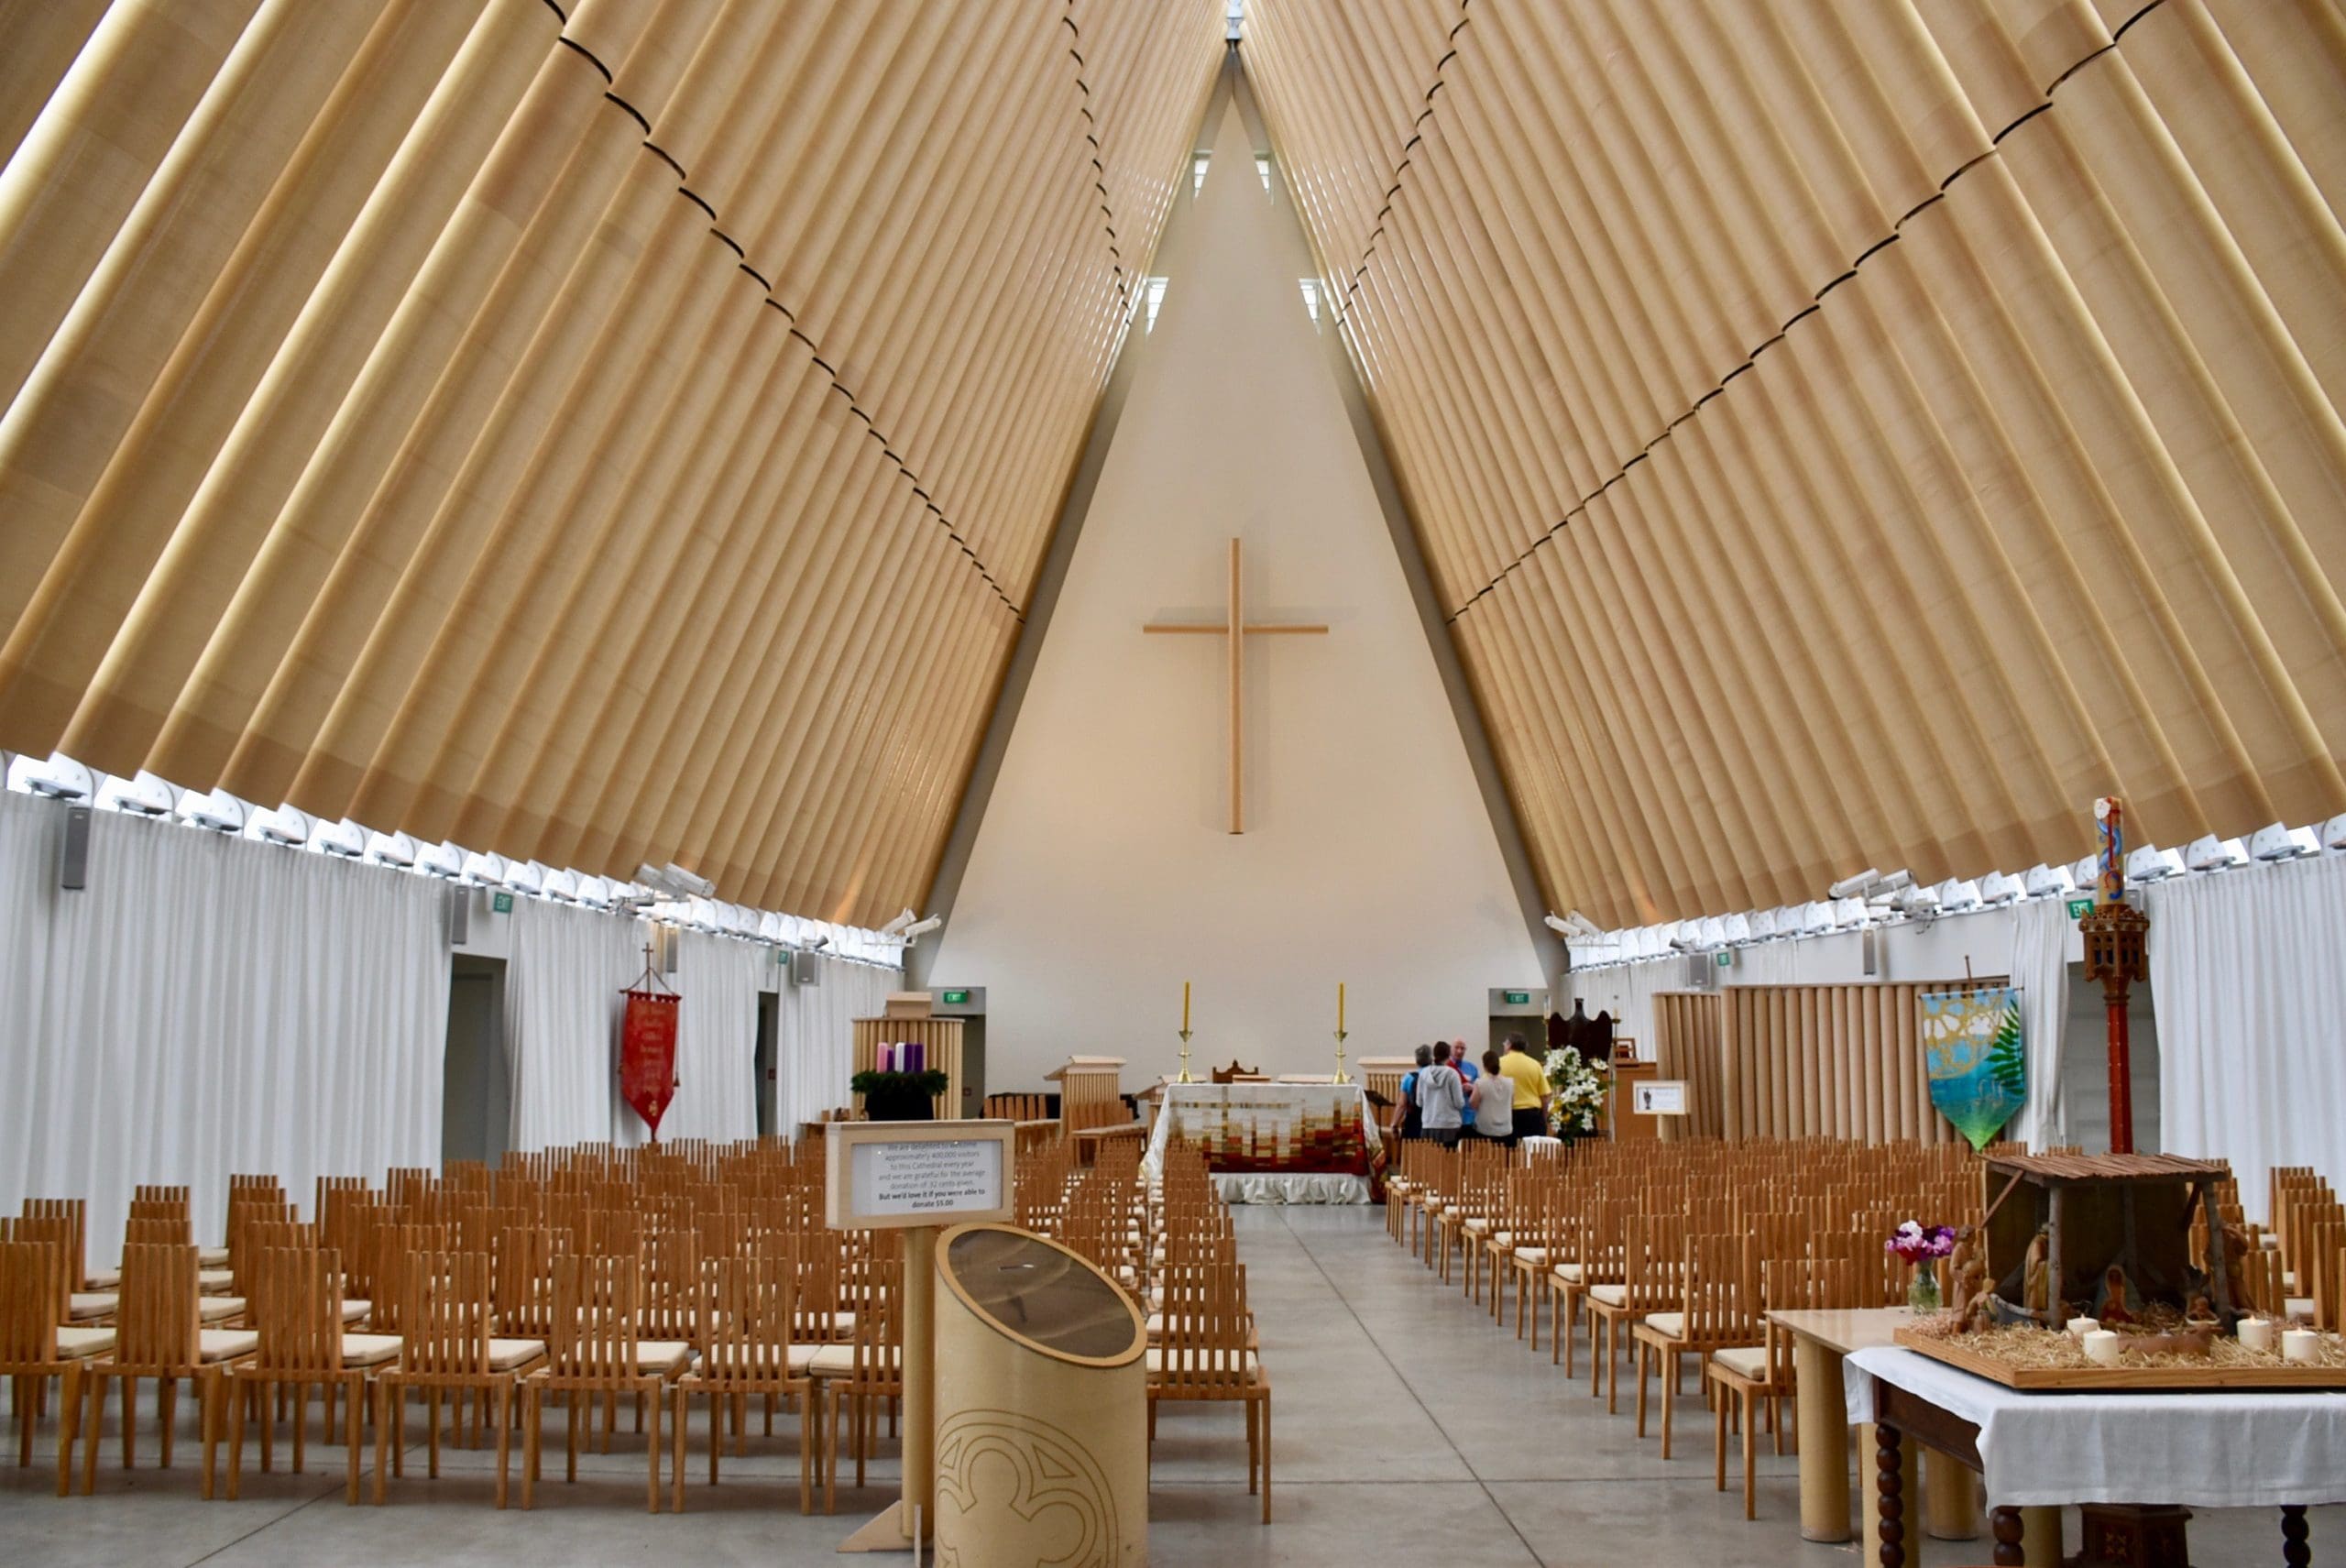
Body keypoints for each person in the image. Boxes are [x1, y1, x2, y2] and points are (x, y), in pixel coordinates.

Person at [1496, 1034, 1550, 1145]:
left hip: (1507, 1115)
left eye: (1504, 1044)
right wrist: (1544, 1118)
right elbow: (1544, 1095)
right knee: (1533, 1152)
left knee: (1507, 1154)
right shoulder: (1535, 1064)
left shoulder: (1498, 1064)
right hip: (1532, 1116)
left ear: (1509, 1045)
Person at [1415, 1041, 1464, 1148]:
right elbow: (1459, 1103)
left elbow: (1419, 1102)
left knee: (1432, 1161)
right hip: (1450, 1125)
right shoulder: (1452, 1074)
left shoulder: (1423, 1074)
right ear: (1449, 1055)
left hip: (1429, 1123)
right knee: (1449, 1160)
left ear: (1434, 1055)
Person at [1471, 1048, 1514, 1145]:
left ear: (1484, 1066)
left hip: (1486, 1129)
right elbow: (1511, 1103)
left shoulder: (1480, 1083)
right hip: (1506, 1128)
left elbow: (1473, 1104)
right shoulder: (1510, 1082)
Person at [1394, 1044, 1431, 1141]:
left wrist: (1394, 1124)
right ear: (1431, 1059)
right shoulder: (1436, 1076)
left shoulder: (1409, 1078)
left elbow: (1402, 1104)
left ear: (1417, 1061)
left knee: (1411, 1152)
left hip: (1413, 1122)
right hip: (1431, 1122)